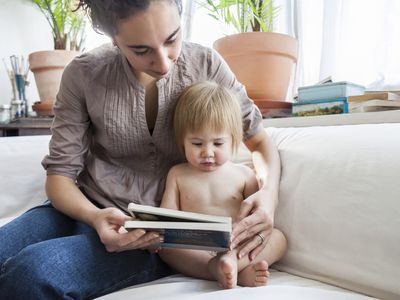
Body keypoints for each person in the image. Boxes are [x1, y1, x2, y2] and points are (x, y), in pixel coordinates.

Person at [0, 0, 281, 298]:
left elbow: (260, 142)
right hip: (76, 209)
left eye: (172, 38)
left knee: (31, 273)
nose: (163, 63)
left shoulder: (206, 65)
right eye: (140, 50)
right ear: (113, 39)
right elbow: (60, 177)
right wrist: (94, 216)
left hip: (146, 237)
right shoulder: (83, 75)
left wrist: (268, 195)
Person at [159, 81, 287, 289]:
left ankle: (232, 263)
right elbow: (166, 218)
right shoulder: (177, 174)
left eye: (218, 144)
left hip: (235, 244)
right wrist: (157, 232)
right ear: (182, 141)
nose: (207, 152)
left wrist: (240, 243)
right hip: (195, 246)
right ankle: (217, 269)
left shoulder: (245, 175)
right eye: (197, 143)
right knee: (165, 247)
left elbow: (256, 218)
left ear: (234, 140)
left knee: (279, 238)